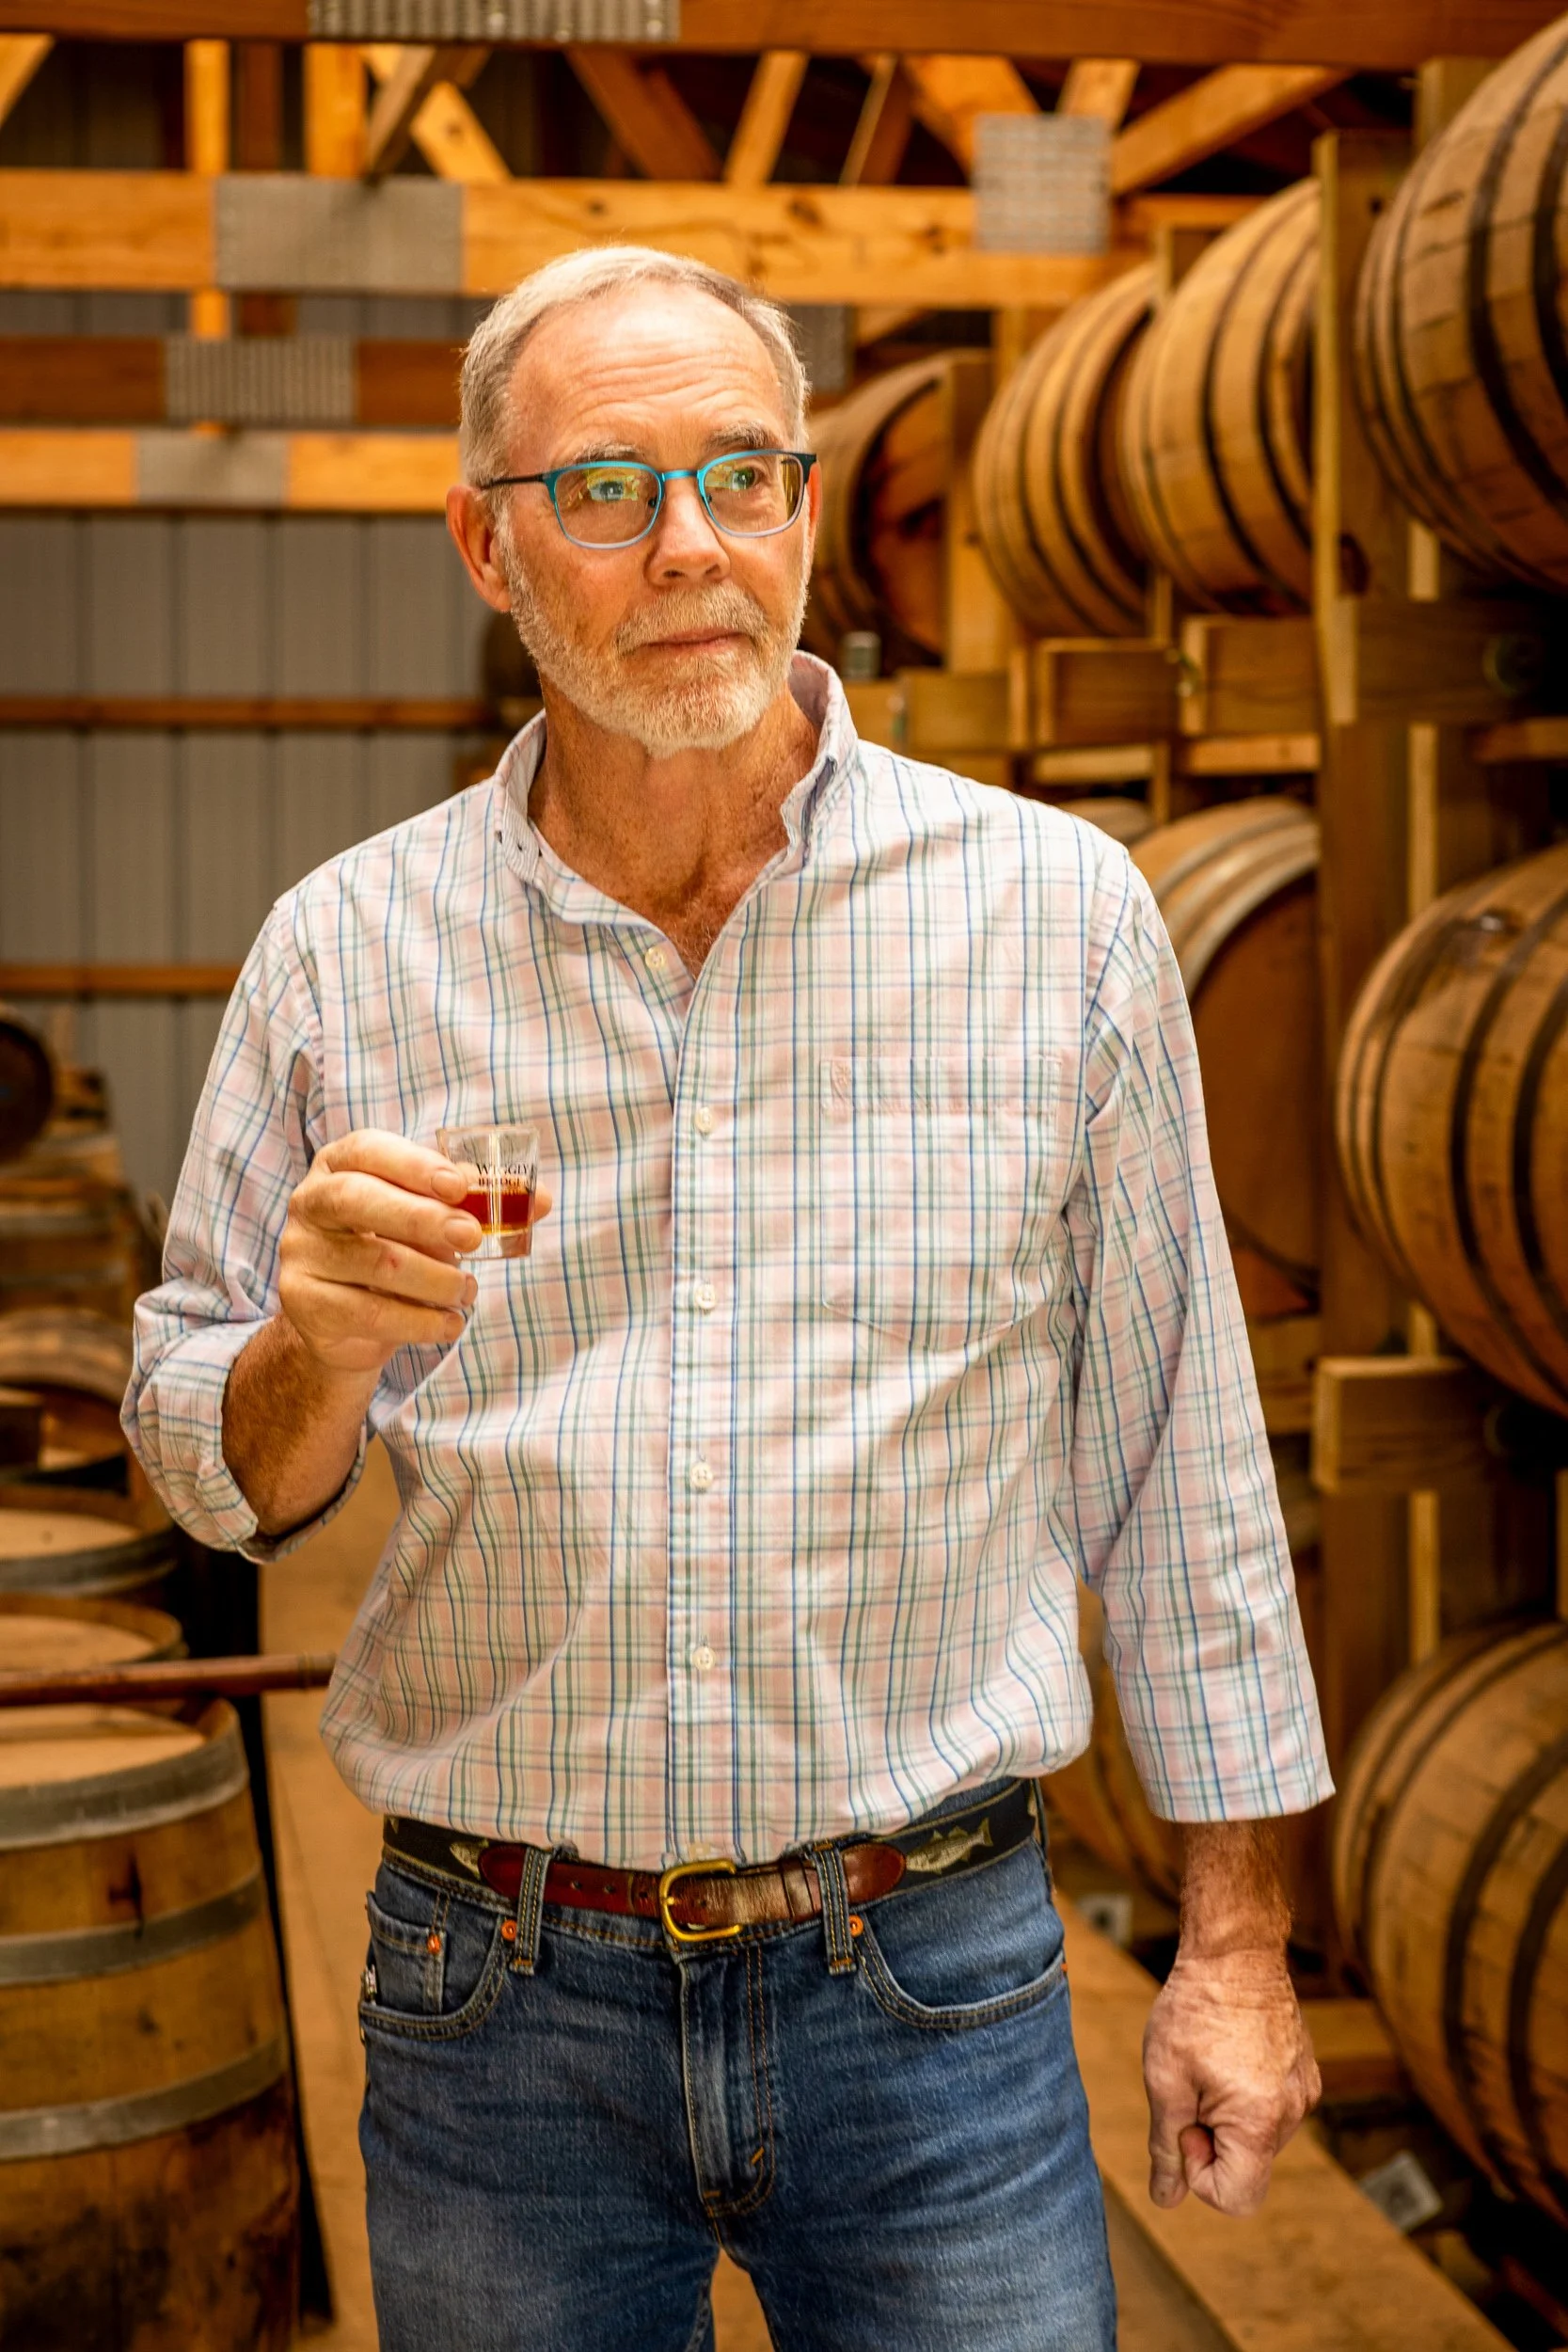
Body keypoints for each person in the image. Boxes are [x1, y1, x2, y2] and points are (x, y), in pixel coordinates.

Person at [124, 246, 1330, 2352]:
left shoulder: (1053, 922)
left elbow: (1180, 1476)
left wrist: (1232, 1948)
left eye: (737, 475)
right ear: (484, 542)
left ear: (799, 504)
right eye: (603, 488)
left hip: (931, 1982)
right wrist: (310, 1348)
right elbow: (220, 1478)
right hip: (497, 1995)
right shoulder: (347, 952)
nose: (685, 549)